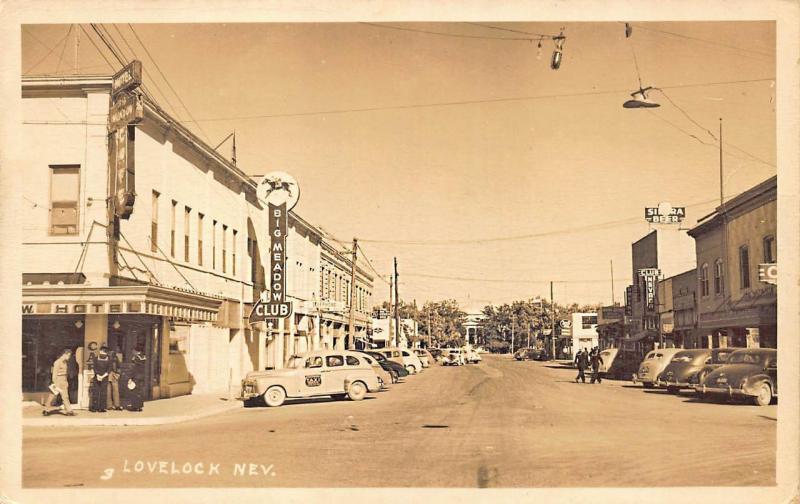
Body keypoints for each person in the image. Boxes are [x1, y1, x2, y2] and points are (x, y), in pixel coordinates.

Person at [42, 349, 76, 416]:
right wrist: (55, 383)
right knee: (52, 396)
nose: (69, 357)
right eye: (68, 355)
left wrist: (66, 381)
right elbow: (54, 374)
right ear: (64, 354)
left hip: (64, 380)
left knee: (65, 396)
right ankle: (46, 410)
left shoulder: (65, 362)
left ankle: (69, 411)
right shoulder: (57, 362)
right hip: (58, 380)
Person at [89, 345, 112, 412]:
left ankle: (101, 408)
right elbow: (94, 368)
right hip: (97, 377)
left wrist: (102, 376)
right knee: (95, 392)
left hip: (103, 377)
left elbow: (109, 369)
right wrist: (98, 375)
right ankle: (94, 407)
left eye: (103, 352)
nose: (101, 353)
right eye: (101, 352)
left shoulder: (109, 359)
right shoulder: (96, 358)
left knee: (103, 392)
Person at [128, 348, 147, 412]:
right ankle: (140, 407)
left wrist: (130, 377)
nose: (132, 352)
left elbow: (133, 368)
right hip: (142, 376)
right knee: (140, 392)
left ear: (135, 351)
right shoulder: (143, 357)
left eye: (133, 351)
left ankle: (135, 407)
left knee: (134, 392)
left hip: (135, 377)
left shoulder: (135, 358)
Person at [106, 346, 123, 411]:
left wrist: (118, 373)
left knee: (109, 389)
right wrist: (118, 373)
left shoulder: (110, 357)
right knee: (114, 390)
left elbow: (118, 366)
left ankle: (110, 405)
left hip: (110, 374)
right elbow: (119, 366)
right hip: (113, 374)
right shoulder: (115, 357)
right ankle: (116, 405)